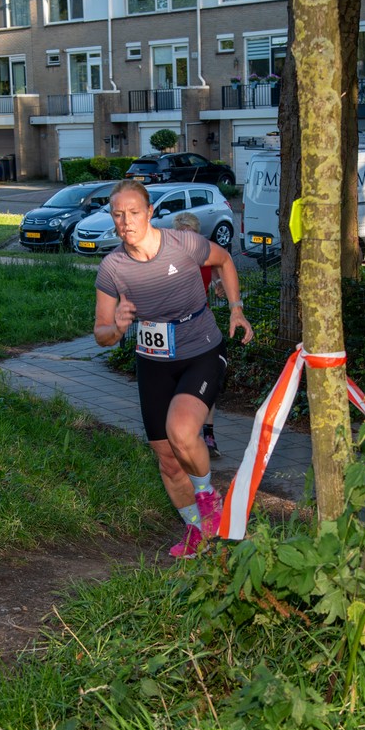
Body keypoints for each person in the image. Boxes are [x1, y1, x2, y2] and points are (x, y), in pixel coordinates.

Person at [93, 180, 254, 558]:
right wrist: (116, 326)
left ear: (149, 213)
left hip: (201, 351)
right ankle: (197, 532)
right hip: (153, 363)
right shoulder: (113, 267)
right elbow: (101, 333)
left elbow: (225, 260)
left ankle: (207, 496)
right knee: (167, 459)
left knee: (181, 432)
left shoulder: (182, 244)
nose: (126, 221)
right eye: (118, 214)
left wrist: (235, 308)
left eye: (133, 213)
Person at [171, 212, 224, 459]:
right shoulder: (169, 258)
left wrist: (220, 286)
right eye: (182, 235)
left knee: (207, 381)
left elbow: (217, 280)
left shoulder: (206, 255)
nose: (187, 240)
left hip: (202, 327)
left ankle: (209, 436)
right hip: (174, 328)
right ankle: (178, 434)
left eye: (191, 234)